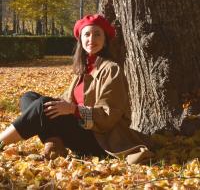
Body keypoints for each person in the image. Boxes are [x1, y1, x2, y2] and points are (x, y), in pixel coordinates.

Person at [0, 14, 154, 164]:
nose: (91, 39)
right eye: (87, 34)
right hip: (77, 129)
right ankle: (54, 143)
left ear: (105, 40)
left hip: (99, 139)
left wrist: (74, 110)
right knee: (29, 97)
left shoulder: (111, 69)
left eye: (97, 34)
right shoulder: (83, 68)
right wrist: (65, 106)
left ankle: (1, 141)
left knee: (42, 105)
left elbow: (109, 116)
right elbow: (66, 99)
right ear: (81, 39)